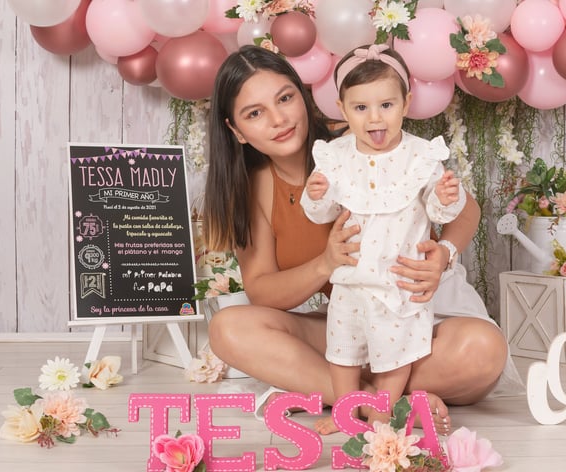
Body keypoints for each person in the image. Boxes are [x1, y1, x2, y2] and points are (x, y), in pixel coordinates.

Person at [202, 44, 522, 437]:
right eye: (255, 113)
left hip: (419, 316)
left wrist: (444, 253)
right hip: (348, 324)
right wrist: (325, 263)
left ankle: (333, 391)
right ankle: (381, 405)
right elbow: (263, 291)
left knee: (482, 350)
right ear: (235, 130)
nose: (278, 119)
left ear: (303, 96)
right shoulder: (253, 189)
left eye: (285, 98)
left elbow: (465, 209)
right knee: (228, 328)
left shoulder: (363, 134)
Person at [300, 44, 466, 433]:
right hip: (350, 277)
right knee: (343, 349)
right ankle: (345, 412)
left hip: (398, 279)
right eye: (361, 108)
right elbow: (321, 214)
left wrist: (445, 198)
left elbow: (438, 213)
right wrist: (317, 194)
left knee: (395, 351)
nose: (375, 117)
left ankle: (381, 411)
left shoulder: (420, 156)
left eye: (386, 105)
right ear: (342, 110)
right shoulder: (336, 156)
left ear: (406, 103)